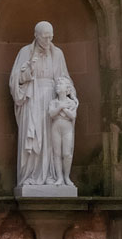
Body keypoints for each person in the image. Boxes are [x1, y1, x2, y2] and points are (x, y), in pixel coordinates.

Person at [10, 20, 79, 195]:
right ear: (36, 35)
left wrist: (70, 95)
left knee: (52, 139)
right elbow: (14, 80)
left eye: (51, 37)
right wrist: (29, 71)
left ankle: (53, 175)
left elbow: (65, 78)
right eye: (45, 37)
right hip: (32, 98)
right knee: (34, 137)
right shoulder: (25, 52)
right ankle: (31, 176)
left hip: (51, 99)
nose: (48, 41)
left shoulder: (58, 54)